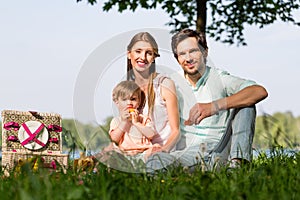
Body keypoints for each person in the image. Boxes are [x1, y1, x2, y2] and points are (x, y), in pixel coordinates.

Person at [169, 28, 268, 170]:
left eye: (193, 51)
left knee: (246, 104)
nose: (188, 58)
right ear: (177, 59)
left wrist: (213, 106)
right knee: (155, 162)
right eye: (182, 54)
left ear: (205, 52)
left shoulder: (219, 78)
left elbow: (259, 91)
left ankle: (238, 167)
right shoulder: (172, 83)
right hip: (187, 155)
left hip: (220, 152)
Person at [126, 32, 180, 155]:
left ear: (154, 57)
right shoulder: (128, 90)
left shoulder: (164, 85)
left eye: (149, 53)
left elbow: (176, 131)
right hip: (135, 152)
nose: (143, 57)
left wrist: (162, 151)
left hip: (160, 153)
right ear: (129, 54)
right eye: (138, 51)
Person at [108, 80, 161, 161]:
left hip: (144, 152)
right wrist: (124, 122)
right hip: (124, 153)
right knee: (112, 151)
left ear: (139, 102)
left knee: (156, 150)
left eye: (133, 99)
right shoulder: (116, 121)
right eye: (124, 99)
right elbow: (114, 139)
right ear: (117, 102)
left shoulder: (143, 119)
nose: (129, 102)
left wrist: (136, 123)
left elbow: (151, 134)